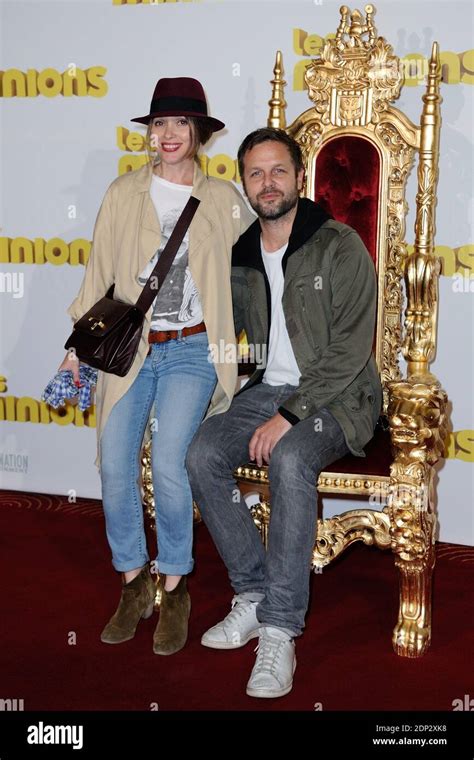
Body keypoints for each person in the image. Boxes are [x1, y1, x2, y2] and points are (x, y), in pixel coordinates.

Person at [59, 77, 254, 655]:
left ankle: (176, 585)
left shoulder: (222, 200)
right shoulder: (123, 193)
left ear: (198, 135)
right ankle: (132, 583)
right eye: (160, 125)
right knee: (114, 465)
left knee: (170, 464)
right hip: (130, 348)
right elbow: (97, 275)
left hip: (194, 348)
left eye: (180, 125)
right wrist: (77, 347)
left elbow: (256, 269)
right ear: (151, 133)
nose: (168, 135)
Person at [186, 127, 382, 696]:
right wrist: (221, 386)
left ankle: (279, 629)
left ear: (300, 178)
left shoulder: (338, 243)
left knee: (291, 460)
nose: (266, 182)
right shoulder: (242, 252)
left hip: (340, 395)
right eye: (255, 173)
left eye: (278, 171)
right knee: (201, 452)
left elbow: (350, 349)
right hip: (266, 392)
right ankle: (251, 594)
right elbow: (244, 344)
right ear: (244, 182)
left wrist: (291, 413)